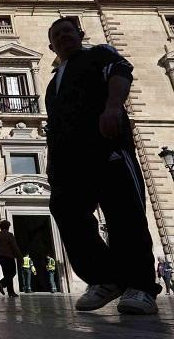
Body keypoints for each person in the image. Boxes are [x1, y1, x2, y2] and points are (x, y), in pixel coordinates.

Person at [46, 16, 161, 314]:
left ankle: (141, 287)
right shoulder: (52, 83)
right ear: (51, 45)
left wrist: (112, 107)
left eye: (68, 31)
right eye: (57, 35)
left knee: (125, 214)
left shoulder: (100, 53)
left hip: (106, 147)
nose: (63, 37)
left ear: (80, 33)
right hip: (68, 161)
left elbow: (121, 72)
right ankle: (106, 278)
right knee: (66, 210)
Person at [0, 220, 22, 298]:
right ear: (8, 227)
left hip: (0, 257)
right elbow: (14, 246)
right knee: (12, 273)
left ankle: (11, 292)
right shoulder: (9, 235)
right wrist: (20, 257)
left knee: (7, 274)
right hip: (9, 257)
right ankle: (2, 283)